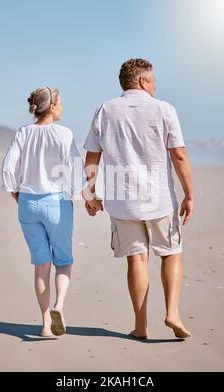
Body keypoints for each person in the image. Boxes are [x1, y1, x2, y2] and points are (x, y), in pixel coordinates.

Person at [83, 59, 194, 339]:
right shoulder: (164, 109)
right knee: (170, 252)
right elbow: (179, 155)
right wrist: (189, 194)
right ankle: (172, 312)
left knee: (137, 260)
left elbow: (92, 157)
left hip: (123, 200)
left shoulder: (105, 110)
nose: (156, 84)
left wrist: (91, 194)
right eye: (153, 80)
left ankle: (141, 326)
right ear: (143, 81)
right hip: (159, 199)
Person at [2, 86, 102, 337]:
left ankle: (46, 325)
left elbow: (8, 168)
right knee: (64, 261)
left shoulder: (23, 133)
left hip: (27, 203)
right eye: (62, 103)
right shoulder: (63, 134)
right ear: (53, 106)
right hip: (56, 204)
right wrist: (90, 201)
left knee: (41, 264)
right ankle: (59, 306)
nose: (63, 108)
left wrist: (17, 193)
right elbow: (76, 173)